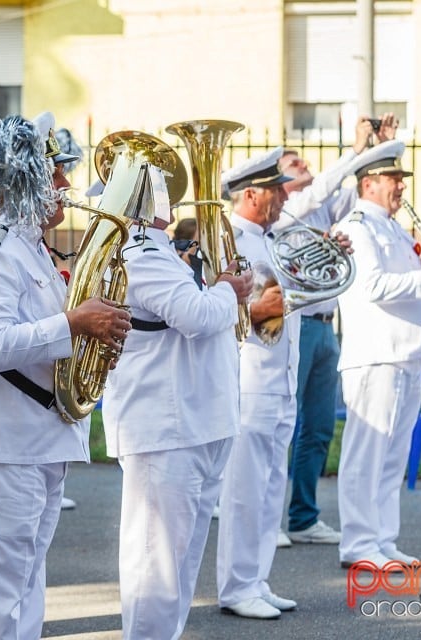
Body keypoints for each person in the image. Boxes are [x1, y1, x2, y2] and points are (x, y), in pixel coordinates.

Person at [0, 112, 132, 640]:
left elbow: (44, 342)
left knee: (25, 590)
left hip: (36, 440)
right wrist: (75, 322)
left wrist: (94, 338)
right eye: (54, 175)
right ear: (21, 180)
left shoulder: (30, 250)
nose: (67, 186)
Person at [102, 172, 253, 637]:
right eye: (163, 187)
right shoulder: (141, 250)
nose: (174, 195)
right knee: (158, 567)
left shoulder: (160, 249)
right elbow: (197, 315)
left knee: (178, 565)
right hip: (167, 426)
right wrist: (229, 287)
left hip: (193, 421)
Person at [274, 113, 399, 546]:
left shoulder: (328, 205)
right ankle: (268, 519)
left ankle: (303, 516)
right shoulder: (288, 209)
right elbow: (328, 182)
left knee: (319, 427)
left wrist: (380, 147)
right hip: (296, 325)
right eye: (297, 166)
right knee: (282, 425)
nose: (306, 169)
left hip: (327, 327)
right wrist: (354, 149)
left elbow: (371, 194)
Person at [333, 140, 421, 568]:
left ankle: (382, 539)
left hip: (405, 352)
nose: (401, 187)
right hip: (375, 353)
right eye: (394, 180)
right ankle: (358, 545)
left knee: (393, 454)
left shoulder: (395, 228)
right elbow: (370, 287)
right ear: (370, 183)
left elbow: (406, 282)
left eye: (401, 180)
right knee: (366, 454)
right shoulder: (357, 226)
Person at [214, 147, 300, 620]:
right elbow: (208, 309)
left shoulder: (272, 239)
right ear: (251, 194)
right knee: (246, 488)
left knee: (270, 486)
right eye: (276, 189)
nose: (284, 196)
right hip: (249, 377)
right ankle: (236, 585)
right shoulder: (227, 240)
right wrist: (254, 311)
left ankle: (257, 578)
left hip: (280, 376)